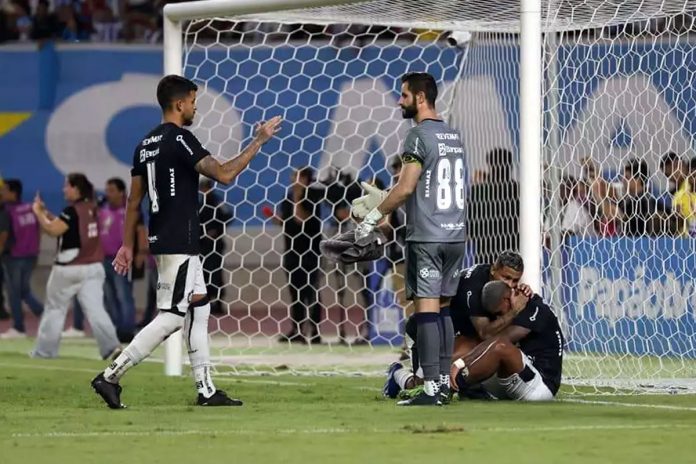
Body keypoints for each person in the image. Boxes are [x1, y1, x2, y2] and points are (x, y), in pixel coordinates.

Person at [91, 74, 282, 408]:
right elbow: (223, 174)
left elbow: (134, 201)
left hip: (169, 238)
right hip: (178, 239)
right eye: (193, 102)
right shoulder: (180, 139)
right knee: (172, 317)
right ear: (179, 104)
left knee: (199, 309)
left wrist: (126, 244)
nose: (195, 108)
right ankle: (110, 376)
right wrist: (258, 141)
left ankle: (206, 390)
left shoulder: (145, 144)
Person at [352, 72, 467, 406]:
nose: (399, 102)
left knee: (426, 312)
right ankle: (444, 383)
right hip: (455, 236)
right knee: (444, 310)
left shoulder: (417, 136)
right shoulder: (452, 136)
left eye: (403, 96)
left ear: (420, 98)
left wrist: (374, 217)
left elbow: (406, 187)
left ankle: (432, 388)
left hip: (427, 237)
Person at [383, 251, 527, 400]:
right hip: (425, 331)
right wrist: (515, 311)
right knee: (425, 386)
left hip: (457, 336)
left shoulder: (500, 287)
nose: (510, 285)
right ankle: (398, 374)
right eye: (506, 278)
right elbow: (485, 333)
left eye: (515, 280)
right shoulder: (474, 285)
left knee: (475, 352)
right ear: (493, 269)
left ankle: (472, 388)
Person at [30, 173, 121, 359]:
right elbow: (68, 225)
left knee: (55, 309)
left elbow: (53, 229)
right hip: (94, 267)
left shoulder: (71, 211)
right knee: (96, 310)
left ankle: (45, 352)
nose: (64, 189)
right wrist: (47, 214)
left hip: (69, 267)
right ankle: (111, 347)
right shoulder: (93, 207)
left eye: (67, 186)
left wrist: (39, 213)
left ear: (76, 188)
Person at [449, 280, 564, 401]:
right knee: (471, 344)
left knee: (500, 347)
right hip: (514, 376)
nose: (499, 318)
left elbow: (500, 340)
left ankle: (451, 386)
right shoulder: (513, 308)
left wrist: (460, 363)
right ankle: (438, 378)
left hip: (539, 385)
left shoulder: (535, 309)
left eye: (499, 312)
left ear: (506, 299)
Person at [266, 167, 323, 344]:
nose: (293, 179)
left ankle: (314, 330)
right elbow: (289, 222)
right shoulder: (287, 199)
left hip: (309, 253)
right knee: (295, 293)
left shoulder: (312, 198)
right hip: (292, 252)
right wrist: (277, 220)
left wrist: (298, 196)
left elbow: (302, 219)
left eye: (297, 176)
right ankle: (297, 329)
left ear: (306, 179)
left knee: (311, 292)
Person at [0, 179, 44, 338]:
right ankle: (46, 317)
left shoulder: (7, 211)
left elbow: (3, 236)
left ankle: (18, 328)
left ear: (13, 192)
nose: (1, 193)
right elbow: (39, 230)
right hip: (30, 256)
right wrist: (37, 251)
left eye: (4, 190)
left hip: (14, 257)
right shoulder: (30, 209)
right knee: (23, 290)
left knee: (14, 292)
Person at [99, 177, 137, 341]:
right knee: (109, 295)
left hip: (121, 259)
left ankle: (127, 330)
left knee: (123, 294)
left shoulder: (130, 212)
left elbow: (141, 232)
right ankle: (115, 328)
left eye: (112, 190)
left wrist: (140, 254)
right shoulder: (102, 210)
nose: (108, 194)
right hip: (104, 259)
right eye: (107, 190)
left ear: (122, 192)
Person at [199, 178, 232, 316]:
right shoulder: (198, 203)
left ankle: (218, 303)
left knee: (216, 273)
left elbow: (228, 216)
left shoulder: (218, 202)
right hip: (202, 245)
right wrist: (202, 233)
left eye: (206, 187)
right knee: (203, 274)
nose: (204, 190)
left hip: (215, 244)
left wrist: (216, 231)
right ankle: (207, 302)